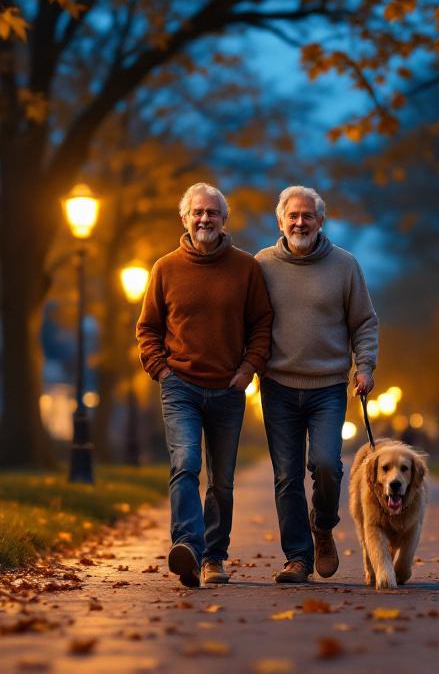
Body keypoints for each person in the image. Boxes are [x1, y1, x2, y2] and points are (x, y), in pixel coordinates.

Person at [136, 182, 274, 588]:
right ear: (184, 218)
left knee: (222, 481)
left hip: (229, 389)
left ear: (224, 219)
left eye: (212, 212)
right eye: (197, 212)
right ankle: (188, 550)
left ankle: (214, 556)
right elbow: (147, 328)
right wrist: (161, 368)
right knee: (186, 464)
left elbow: (262, 323)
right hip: (180, 385)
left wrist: (249, 368)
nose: (204, 219)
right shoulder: (165, 268)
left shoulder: (246, 267)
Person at [255, 185, 378, 584]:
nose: (300, 222)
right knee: (287, 475)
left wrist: (365, 367)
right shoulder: (262, 265)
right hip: (277, 385)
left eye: (308, 216)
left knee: (327, 465)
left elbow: (364, 322)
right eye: (293, 215)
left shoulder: (345, 266)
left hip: (327, 385)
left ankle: (322, 526)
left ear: (321, 221)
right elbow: (249, 321)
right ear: (280, 220)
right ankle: (298, 558)